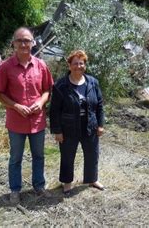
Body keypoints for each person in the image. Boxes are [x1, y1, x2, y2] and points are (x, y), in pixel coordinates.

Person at [0, 27, 54, 203]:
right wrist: (15, 106)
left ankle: (39, 186)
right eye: (19, 40)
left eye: (27, 40)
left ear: (33, 43)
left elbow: (47, 90)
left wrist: (40, 103)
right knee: (15, 158)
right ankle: (15, 189)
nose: (23, 44)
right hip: (16, 121)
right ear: (13, 43)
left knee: (39, 155)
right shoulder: (5, 67)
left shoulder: (41, 65)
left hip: (37, 120)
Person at [49, 50, 105, 195]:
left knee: (92, 153)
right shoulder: (60, 85)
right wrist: (57, 131)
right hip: (68, 127)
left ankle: (92, 179)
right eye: (75, 63)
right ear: (69, 65)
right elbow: (54, 110)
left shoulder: (93, 82)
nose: (78, 66)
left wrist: (100, 125)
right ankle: (67, 182)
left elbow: (99, 105)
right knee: (67, 155)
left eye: (81, 63)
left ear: (85, 65)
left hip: (90, 125)